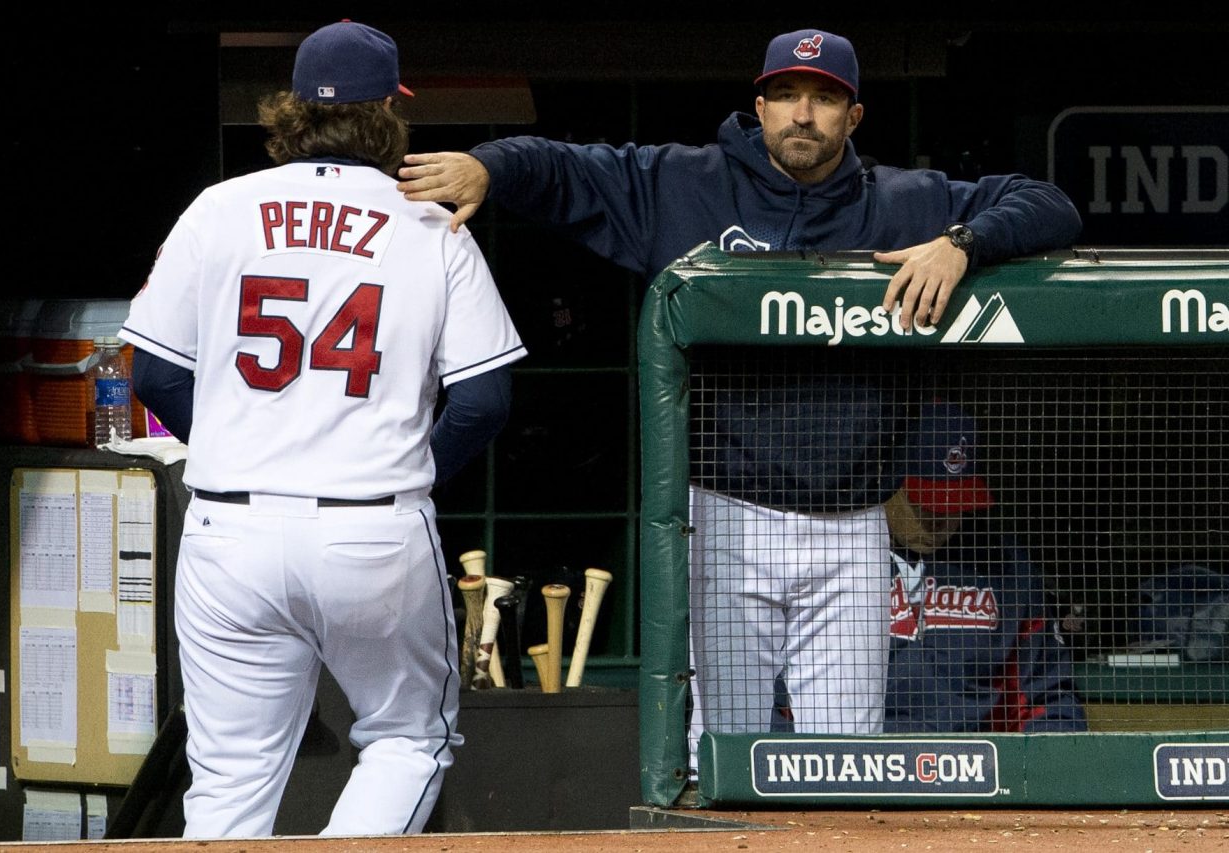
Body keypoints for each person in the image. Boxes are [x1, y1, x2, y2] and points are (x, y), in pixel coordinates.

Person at [397, 29, 1081, 741]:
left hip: (851, 527)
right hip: (723, 513)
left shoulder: (907, 203)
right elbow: (562, 167)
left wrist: (962, 243)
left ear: (853, 117)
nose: (803, 113)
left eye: (824, 98)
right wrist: (487, 168)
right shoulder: (683, 182)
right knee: (720, 748)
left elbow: (1050, 203)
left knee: (844, 760)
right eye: (785, 95)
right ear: (760, 107)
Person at [119, 21, 526, 838]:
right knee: (410, 738)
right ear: (387, 114)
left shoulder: (219, 208)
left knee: (230, 775)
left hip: (228, 524)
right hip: (371, 525)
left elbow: (156, 374)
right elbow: (484, 401)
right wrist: (402, 467)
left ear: (292, 110)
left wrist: (244, 441)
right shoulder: (428, 225)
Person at [772, 401, 1087, 733]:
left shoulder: (1004, 566)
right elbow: (765, 698)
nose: (940, 521)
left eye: (957, 504)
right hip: (853, 765)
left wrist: (1034, 768)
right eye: (924, 505)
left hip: (976, 767)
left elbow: (1046, 697)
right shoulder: (816, 557)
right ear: (885, 482)